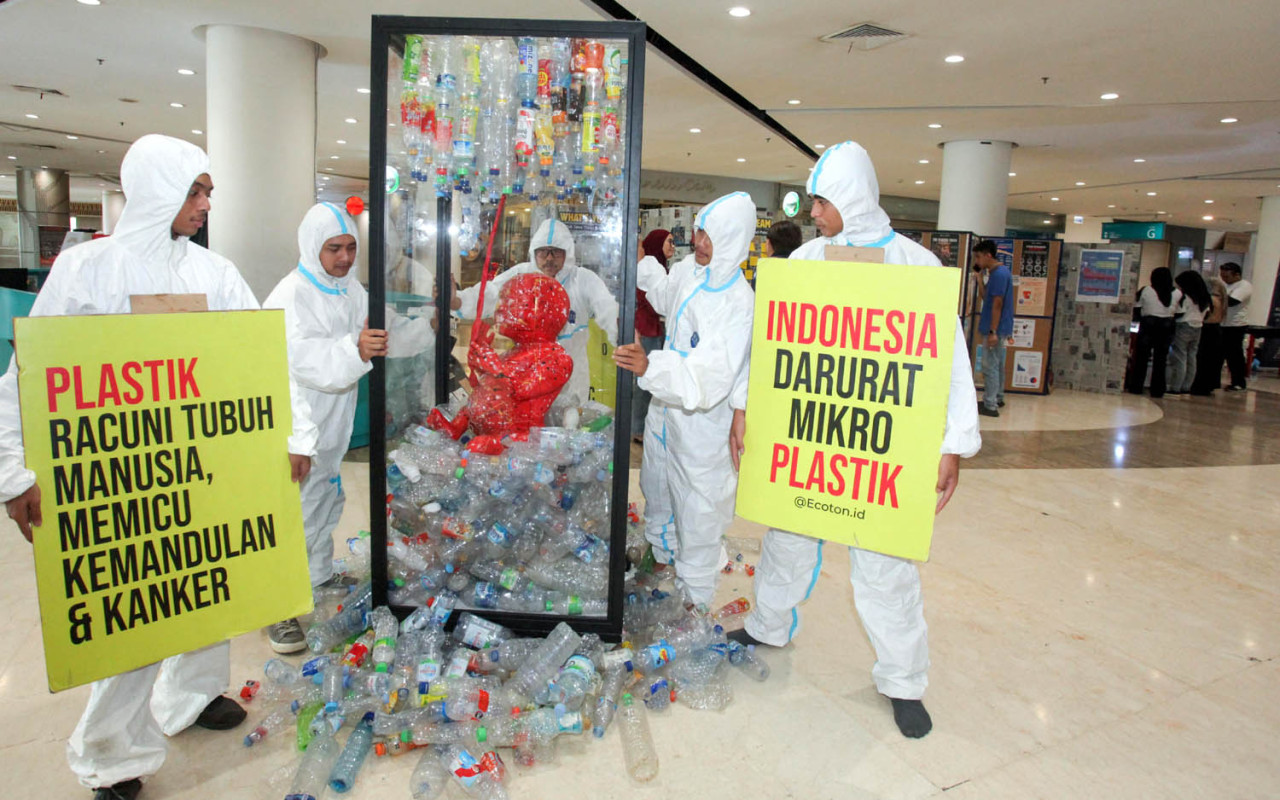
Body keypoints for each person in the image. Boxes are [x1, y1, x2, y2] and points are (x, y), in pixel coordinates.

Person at [0, 135, 317, 800]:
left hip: (209, 464)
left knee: (208, 589)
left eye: (207, 192)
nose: (205, 204)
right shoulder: (87, 272)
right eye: (194, 191)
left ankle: (191, 699)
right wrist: (13, 472)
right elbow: (27, 375)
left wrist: (295, 434)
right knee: (136, 616)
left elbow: (264, 361)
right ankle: (109, 754)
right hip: (129, 480)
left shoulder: (215, 275)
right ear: (154, 191)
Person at [725, 141, 981, 740]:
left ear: (852, 198)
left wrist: (952, 443)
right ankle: (767, 625)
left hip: (882, 448)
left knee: (884, 566)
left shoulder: (916, 267)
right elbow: (765, 342)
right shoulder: (808, 260)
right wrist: (744, 407)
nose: (812, 211)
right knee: (786, 537)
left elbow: (952, 362)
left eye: (821, 199)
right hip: (807, 437)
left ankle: (902, 679)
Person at [613, 192, 756, 607]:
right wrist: (643, 261)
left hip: (701, 422)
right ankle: (661, 555)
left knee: (698, 506)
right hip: (665, 409)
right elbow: (663, 293)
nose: (701, 243)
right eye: (698, 232)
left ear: (733, 239)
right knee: (656, 485)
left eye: (710, 236)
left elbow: (706, 381)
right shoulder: (690, 271)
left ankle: (695, 596)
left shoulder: (737, 305)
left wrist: (650, 368)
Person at [261, 202, 388, 653]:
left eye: (351, 247)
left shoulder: (351, 290)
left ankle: (315, 575)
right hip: (297, 423)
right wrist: (298, 441)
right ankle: (275, 608)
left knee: (324, 500)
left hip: (332, 422)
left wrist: (425, 330)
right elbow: (302, 363)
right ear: (312, 247)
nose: (345, 257)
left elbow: (375, 339)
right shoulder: (290, 295)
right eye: (334, 248)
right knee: (290, 515)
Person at [455, 218, 618, 407]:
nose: (549, 258)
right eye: (543, 252)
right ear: (534, 253)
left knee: (568, 427)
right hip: (528, 377)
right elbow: (490, 294)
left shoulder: (583, 280)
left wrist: (623, 333)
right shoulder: (522, 275)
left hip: (572, 381)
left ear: (568, 254)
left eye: (556, 252)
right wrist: (457, 301)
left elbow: (607, 308)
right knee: (529, 427)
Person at [631, 228, 673, 442]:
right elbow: (648, 302)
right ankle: (637, 427)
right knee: (643, 383)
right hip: (646, 330)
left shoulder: (659, 268)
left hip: (654, 329)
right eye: (669, 242)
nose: (673, 247)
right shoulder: (647, 269)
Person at [972, 239, 1014, 416]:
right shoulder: (996, 273)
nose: (977, 261)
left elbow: (997, 304)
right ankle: (997, 397)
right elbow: (986, 298)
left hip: (995, 327)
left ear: (988, 255)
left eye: (979, 257)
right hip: (996, 326)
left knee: (990, 366)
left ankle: (990, 405)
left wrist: (992, 331)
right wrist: (980, 279)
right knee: (997, 364)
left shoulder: (999, 275)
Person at [1125, 267, 1181, 398]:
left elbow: (1137, 309)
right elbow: (1179, 312)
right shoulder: (1177, 293)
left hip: (1148, 325)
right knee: (1160, 360)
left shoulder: (1146, 290)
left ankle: (1136, 386)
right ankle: (1157, 389)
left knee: (1141, 358)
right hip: (1166, 326)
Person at [1167, 270, 1212, 394]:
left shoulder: (1185, 297)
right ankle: (1186, 386)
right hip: (1198, 327)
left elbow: (1178, 312)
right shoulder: (1204, 297)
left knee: (1179, 357)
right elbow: (1207, 314)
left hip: (1183, 325)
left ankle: (1175, 386)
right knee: (1192, 357)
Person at [1190, 273, 1228, 396]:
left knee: (1202, 359)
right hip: (1217, 330)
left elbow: (1206, 316)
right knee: (1213, 360)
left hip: (1207, 330)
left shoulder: (1211, 300)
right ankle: (1209, 385)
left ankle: (1200, 385)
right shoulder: (1222, 300)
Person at [1219, 262, 1252, 391]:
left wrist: (1218, 297)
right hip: (1223, 323)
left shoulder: (1244, 286)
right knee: (1221, 353)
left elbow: (1232, 301)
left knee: (1234, 355)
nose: (1224, 279)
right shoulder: (1225, 286)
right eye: (1222, 276)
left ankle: (1239, 381)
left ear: (1237, 274)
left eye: (1226, 276)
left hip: (1236, 325)